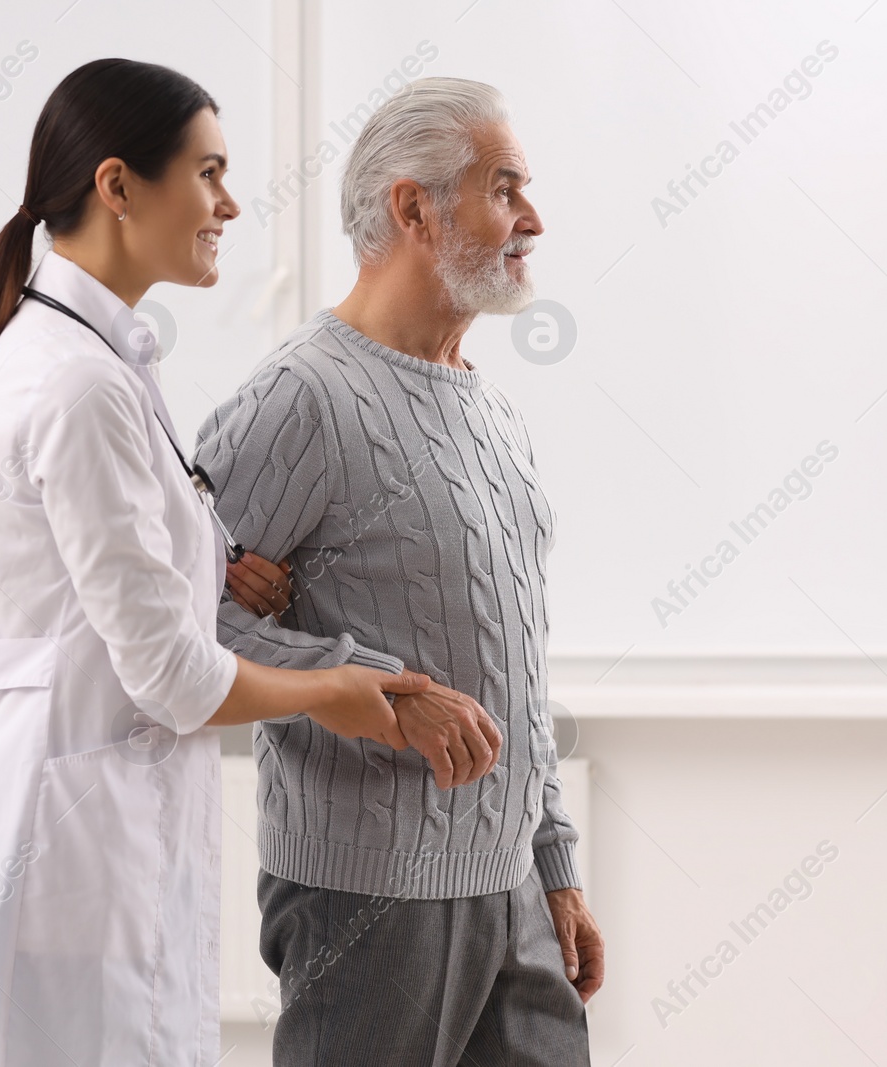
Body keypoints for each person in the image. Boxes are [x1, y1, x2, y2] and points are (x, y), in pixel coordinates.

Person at [0, 58, 432, 1067]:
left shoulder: (92, 357)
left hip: (58, 826)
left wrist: (208, 562)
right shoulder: (77, 382)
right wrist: (328, 688)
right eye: (208, 172)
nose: (228, 203)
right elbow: (172, 678)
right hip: (50, 842)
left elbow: (93, 570)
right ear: (119, 185)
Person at [194, 77, 601, 1066]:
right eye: (503, 189)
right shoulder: (301, 397)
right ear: (412, 206)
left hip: (512, 892)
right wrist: (376, 686)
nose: (532, 219)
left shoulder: (491, 411)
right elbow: (173, 622)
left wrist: (553, 863)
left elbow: (517, 662)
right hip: (367, 897)